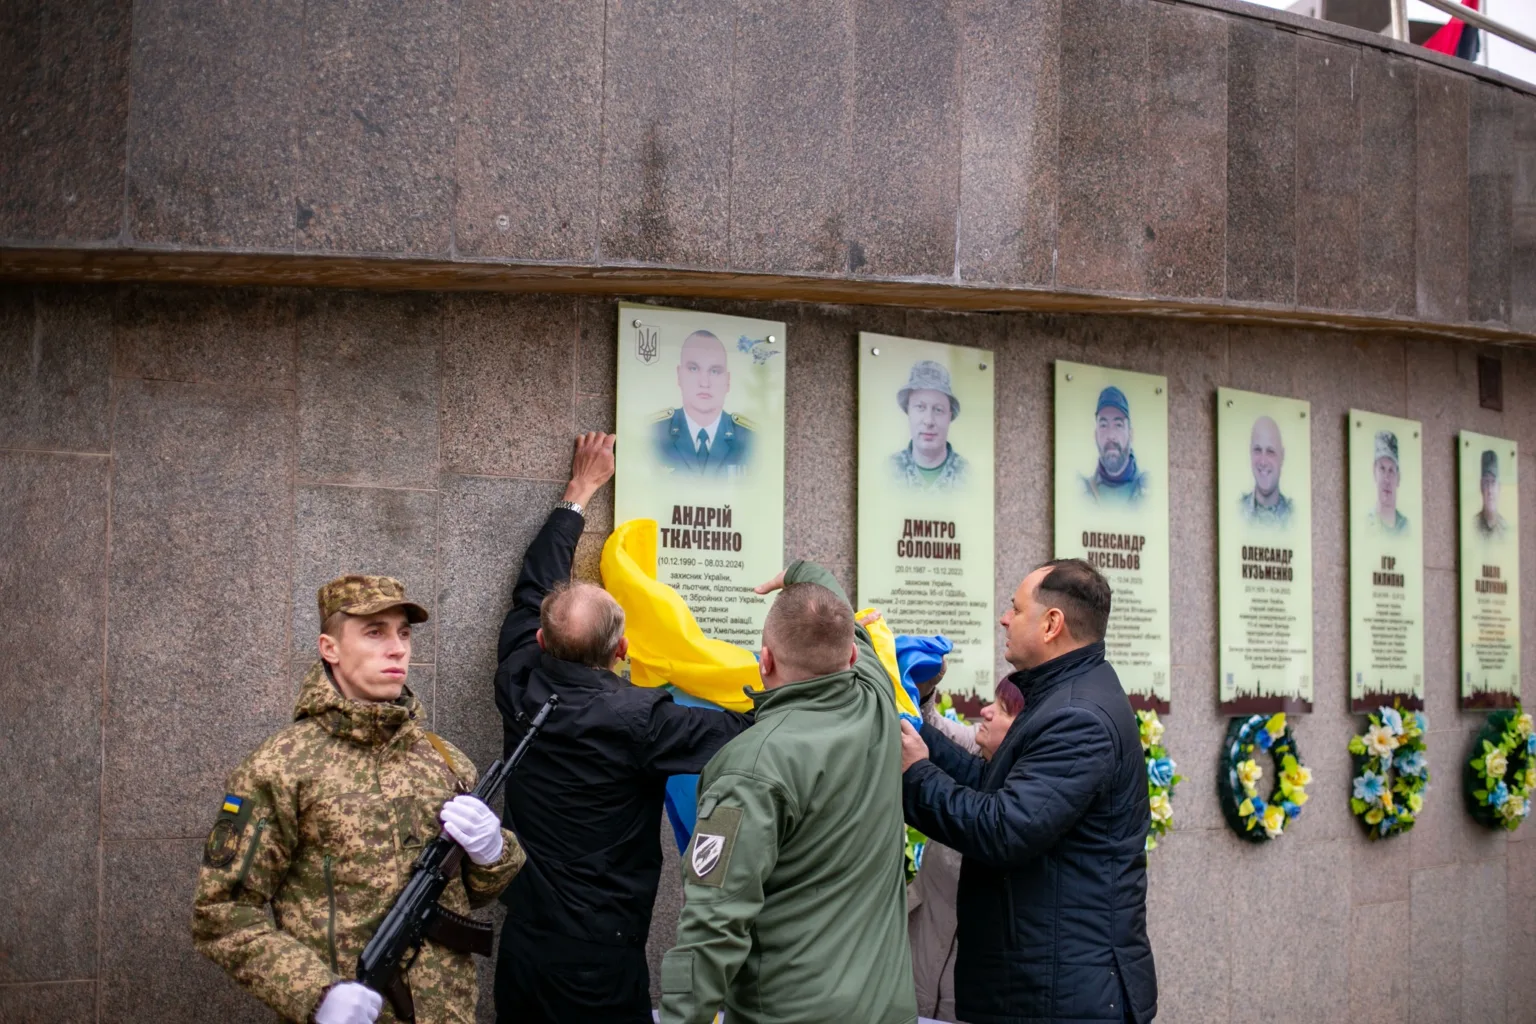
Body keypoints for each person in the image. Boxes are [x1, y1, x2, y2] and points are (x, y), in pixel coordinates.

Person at [492, 432, 752, 1024]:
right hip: (600, 960)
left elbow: (533, 589)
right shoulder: (644, 719)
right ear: (623, 651)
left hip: (525, 944)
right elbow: (744, 730)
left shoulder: (517, 679)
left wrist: (578, 492)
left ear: (540, 640)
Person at [193, 576, 523, 1024]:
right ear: (329, 648)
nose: (398, 649)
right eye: (375, 632)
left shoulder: (444, 760)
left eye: (403, 633)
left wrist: (493, 855)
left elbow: (472, 896)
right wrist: (315, 994)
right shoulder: (280, 768)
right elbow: (221, 912)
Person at [900, 559, 1156, 1024]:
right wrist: (910, 729)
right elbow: (990, 783)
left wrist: (914, 772)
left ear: (1052, 624)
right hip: (1042, 985)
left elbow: (1003, 829)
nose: (1004, 619)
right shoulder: (1063, 695)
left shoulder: (1079, 717)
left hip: (1060, 1000)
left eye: (1016, 609)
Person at [659, 562, 917, 1024]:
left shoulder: (750, 768)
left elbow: (713, 923)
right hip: (887, 1012)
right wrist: (800, 572)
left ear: (765, 661)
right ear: (853, 657)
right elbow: (837, 607)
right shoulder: (877, 698)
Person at [907, 676, 1025, 1023]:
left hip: (971, 990)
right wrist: (924, 686)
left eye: (1003, 710)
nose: (985, 712)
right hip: (918, 956)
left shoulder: (1033, 802)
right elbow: (924, 726)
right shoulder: (975, 749)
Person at [653, 329, 755, 475]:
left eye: (714, 371)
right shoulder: (654, 434)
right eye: (693, 369)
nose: (704, 383)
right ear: (679, 375)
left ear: (727, 381)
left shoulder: (750, 440)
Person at [891, 359, 968, 489]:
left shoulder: (970, 476)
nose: (929, 421)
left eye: (938, 410)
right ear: (908, 411)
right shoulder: (886, 472)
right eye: (920, 407)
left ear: (949, 416)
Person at [1082, 385, 1149, 506]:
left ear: (1131, 434)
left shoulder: (1150, 491)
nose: (1111, 435)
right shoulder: (1082, 495)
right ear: (1095, 435)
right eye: (1103, 425)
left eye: (1118, 425)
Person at [1239, 415, 1293, 527]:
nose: (1263, 461)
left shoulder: (1294, 516)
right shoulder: (1237, 511)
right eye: (1257, 450)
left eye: (1270, 451)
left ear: (1282, 456)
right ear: (1250, 452)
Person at [1367, 430, 1408, 535]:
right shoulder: (1365, 525)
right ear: (1374, 472)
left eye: (1391, 470)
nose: (1387, 479)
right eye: (1382, 469)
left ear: (1398, 478)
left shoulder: (1406, 527)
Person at [1474, 449, 1510, 540]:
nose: (1489, 490)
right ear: (1481, 486)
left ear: (1499, 487)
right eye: (1486, 482)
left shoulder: (1505, 528)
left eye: (1493, 482)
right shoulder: (1473, 526)